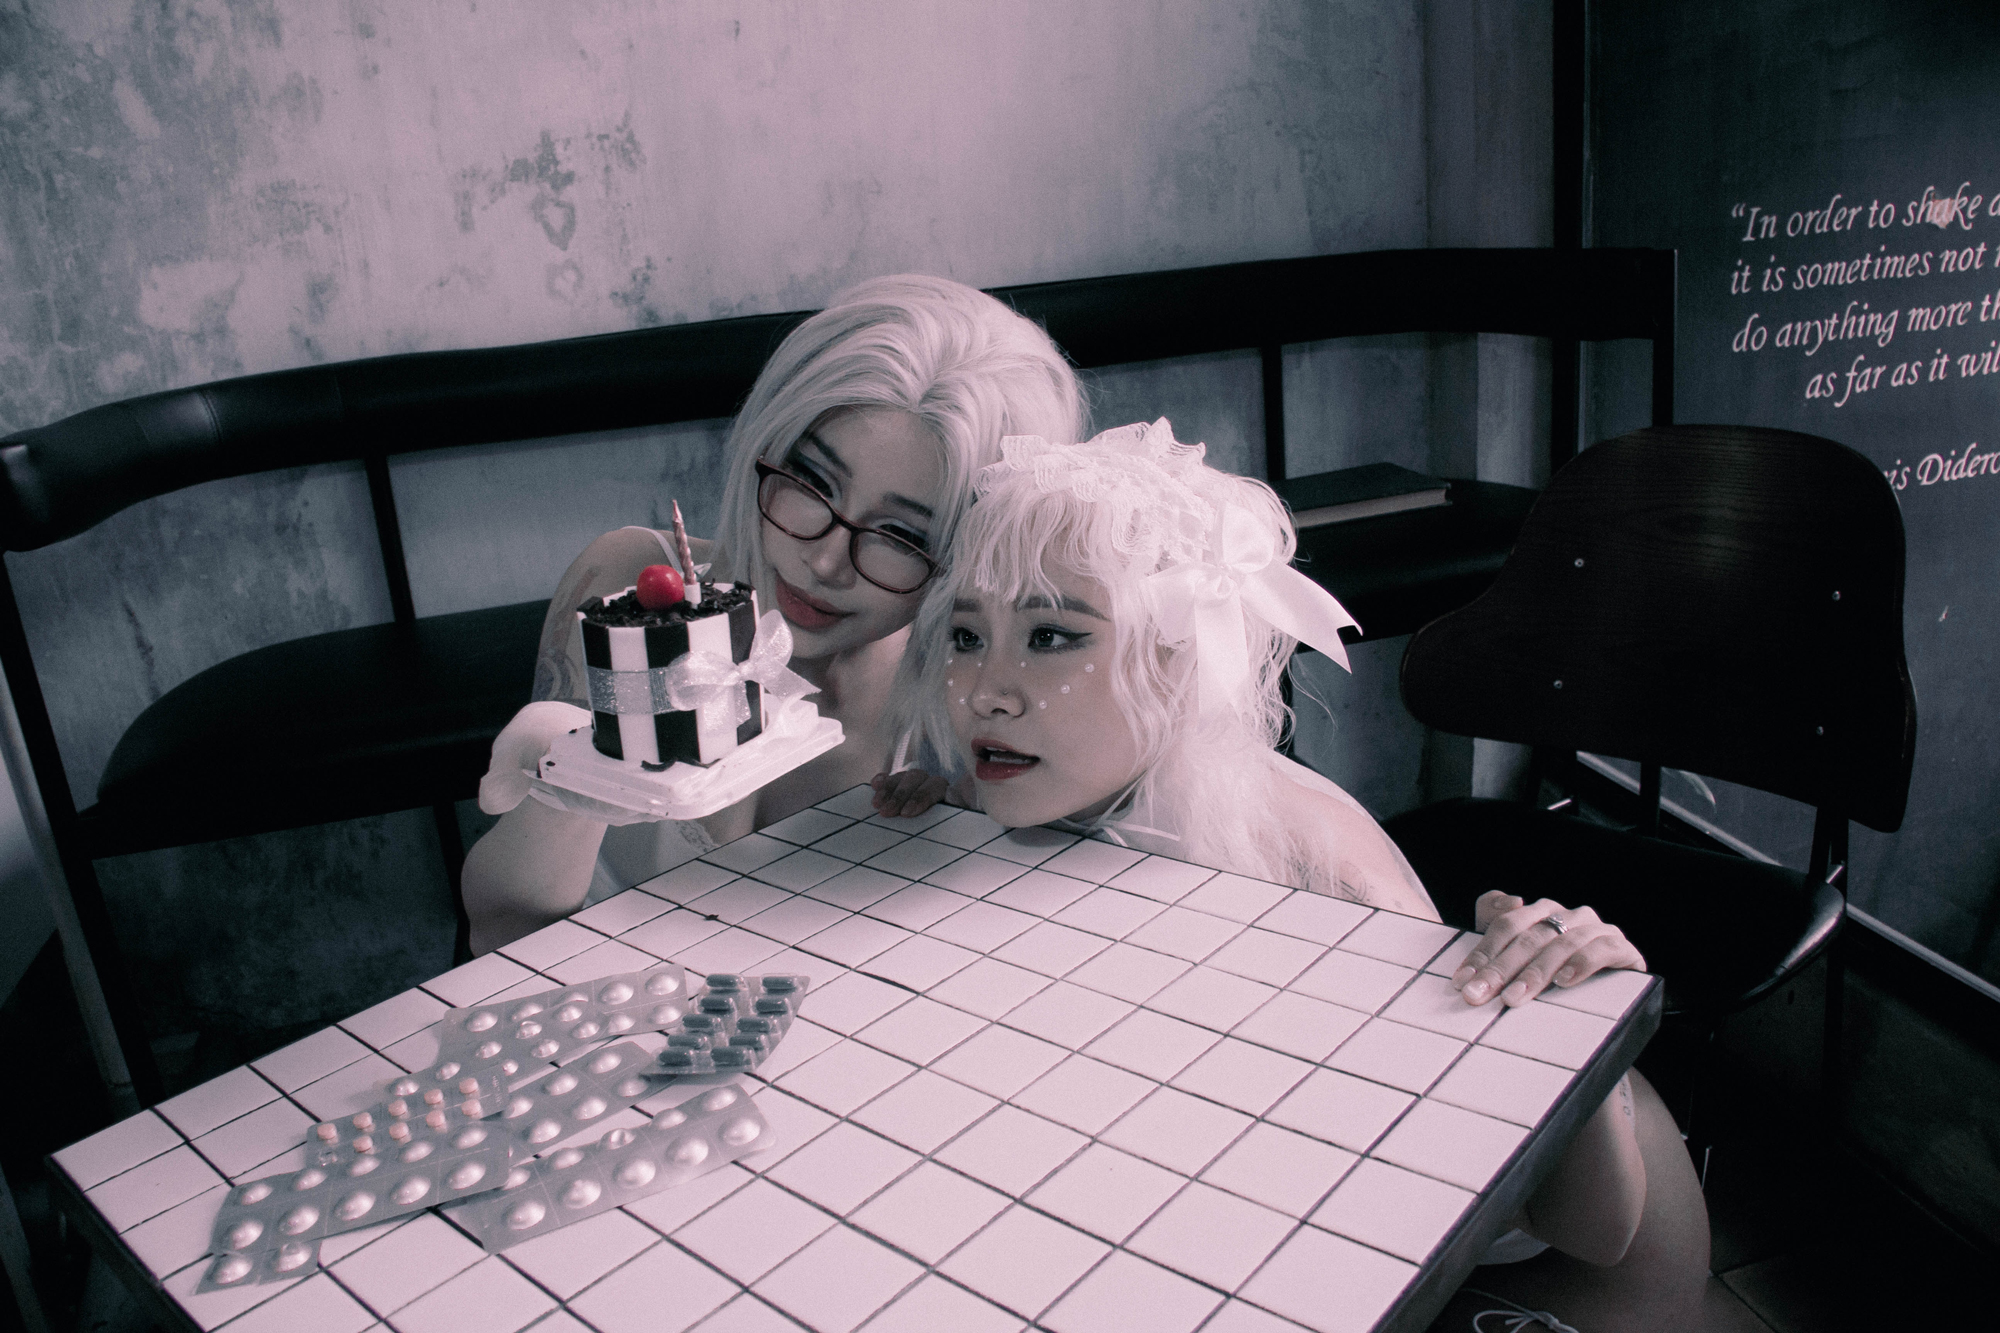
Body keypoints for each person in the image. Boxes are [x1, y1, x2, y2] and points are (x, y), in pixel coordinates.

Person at [891, 419, 1709, 1333]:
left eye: (1050, 635)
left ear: (1176, 661)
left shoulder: (1319, 874)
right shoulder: (1057, 778)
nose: (984, 691)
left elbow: (1592, 1224)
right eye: (966, 634)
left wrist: (1569, 1015)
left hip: (1568, 1256)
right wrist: (958, 797)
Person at [462, 274, 1084, 954]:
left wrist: (959, 833)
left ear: (962, 554)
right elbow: (501, 930)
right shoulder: (628, 593)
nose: (826, 562)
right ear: (767, 443)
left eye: (901, 536)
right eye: (812, 483)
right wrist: (564, 785)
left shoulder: (956, 690)